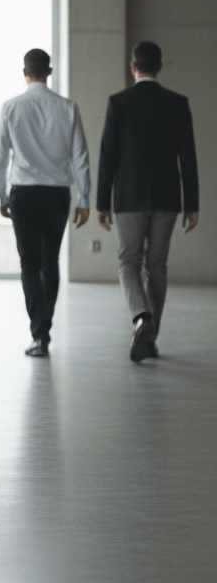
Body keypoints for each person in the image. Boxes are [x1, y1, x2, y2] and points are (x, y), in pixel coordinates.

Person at [96, 41, 199, 362]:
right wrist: (192, 204)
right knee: (156, 267)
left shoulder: (118, 102)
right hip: (167, 197)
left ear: (133, 66)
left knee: (128, 262)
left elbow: (108, 155)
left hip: (128, 197)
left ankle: (141, 317)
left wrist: (102, 202)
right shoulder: (177, 103)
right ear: (160, 66)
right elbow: (188, 157)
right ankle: (149, 339)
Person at [0, 49, 92, 358]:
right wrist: (84, 198)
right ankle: (44, 329)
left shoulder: (10, 108)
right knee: (51, 261)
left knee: (29, 263)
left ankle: (38, 333)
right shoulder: (68, 107)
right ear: (49, 71)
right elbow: (80, 157)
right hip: (56, 194)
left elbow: (0, 159)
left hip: (23, 194)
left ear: (25, 73)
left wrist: (2, 196)